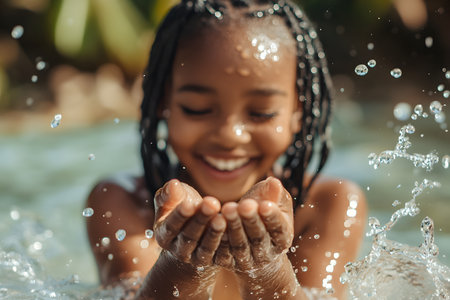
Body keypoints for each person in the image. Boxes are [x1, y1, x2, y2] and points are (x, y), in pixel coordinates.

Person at [85, 0, 367, 299]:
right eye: (197, 109)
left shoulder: (327, 205)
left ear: (299, 112)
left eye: (261, 113)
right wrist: (181, 262)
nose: (230, 135)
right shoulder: (123, 203)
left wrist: (267, 268)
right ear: (162, 104)